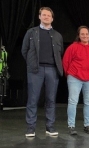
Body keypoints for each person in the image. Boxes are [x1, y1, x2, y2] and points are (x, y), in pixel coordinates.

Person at [21, 7, 63, 137]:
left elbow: (59, 53)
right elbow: (24, 50)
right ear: (39, 16)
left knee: (51, 99)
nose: (46, 17)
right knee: (33, 99)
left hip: (52, 70)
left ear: (52, 18)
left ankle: (50, 127)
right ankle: (30, 128)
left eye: (48, 15)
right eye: (44, 15)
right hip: (35, 70)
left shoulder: (57, 35)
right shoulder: (31, 32)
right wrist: (31, 63)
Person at [62, 26, 89, 135]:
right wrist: (69, 74)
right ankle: (71, 126)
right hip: (75, 77)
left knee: (88, 102)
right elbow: (65, 61)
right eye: (82, 34)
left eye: (87, 34)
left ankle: (87, 125)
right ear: (79, 35)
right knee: (73, 101)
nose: (85, 36)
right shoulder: (73, 47)